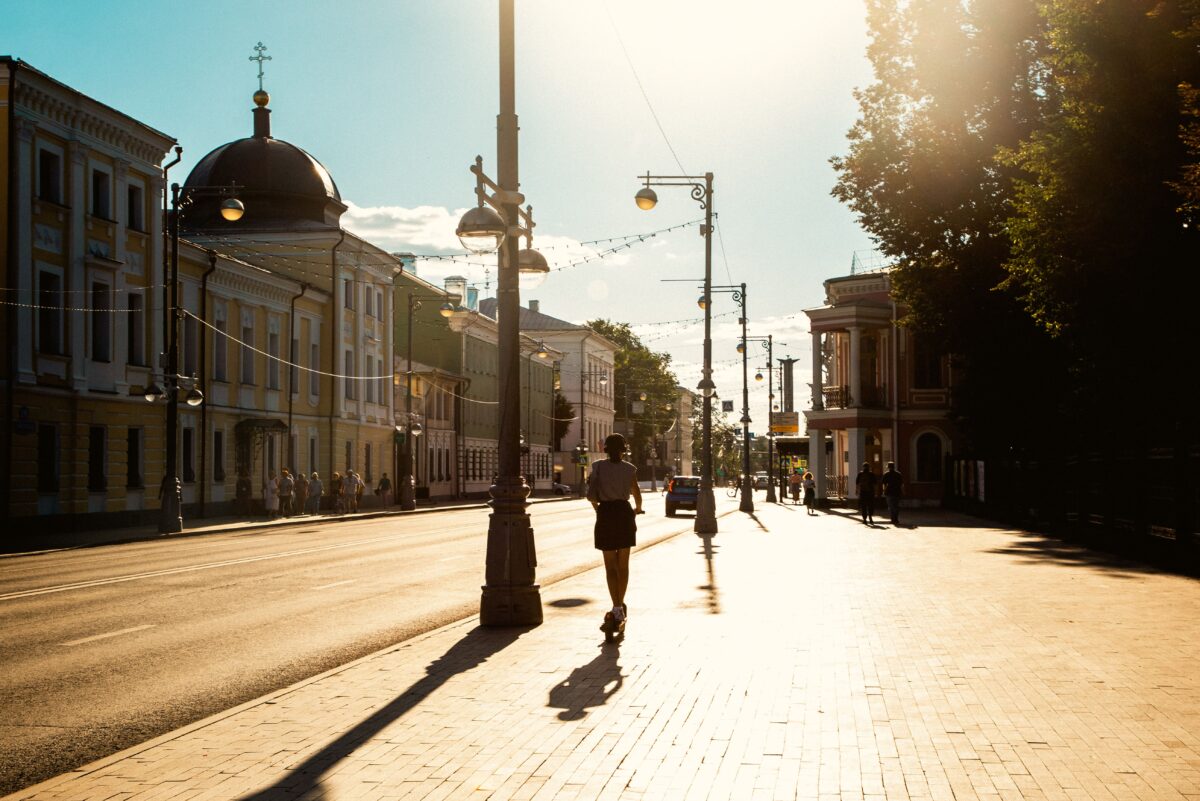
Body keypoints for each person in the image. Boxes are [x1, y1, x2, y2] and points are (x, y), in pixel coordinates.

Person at [587, 433, 642, 634]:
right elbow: (636, 493)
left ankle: (616, 606)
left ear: (606, 449)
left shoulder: (598, 467)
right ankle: (620, 608)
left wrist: (598, 509)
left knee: (610, 566)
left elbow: (591, 495)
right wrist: (637, 509)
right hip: (624, 515)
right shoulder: (629, 469)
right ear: (623, 449)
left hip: (605, 515)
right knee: (623, 565)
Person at [881, 461, 903, 525]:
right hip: (897, 492)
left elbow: (884, 484)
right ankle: (896, 519)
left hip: (889, 492)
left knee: (891, 506)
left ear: (888, 467)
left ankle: (892, 519)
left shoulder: (886, 474)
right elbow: (901, 484)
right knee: (896, 506)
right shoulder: (898, 474)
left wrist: (883, 491)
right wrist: (903, 491)